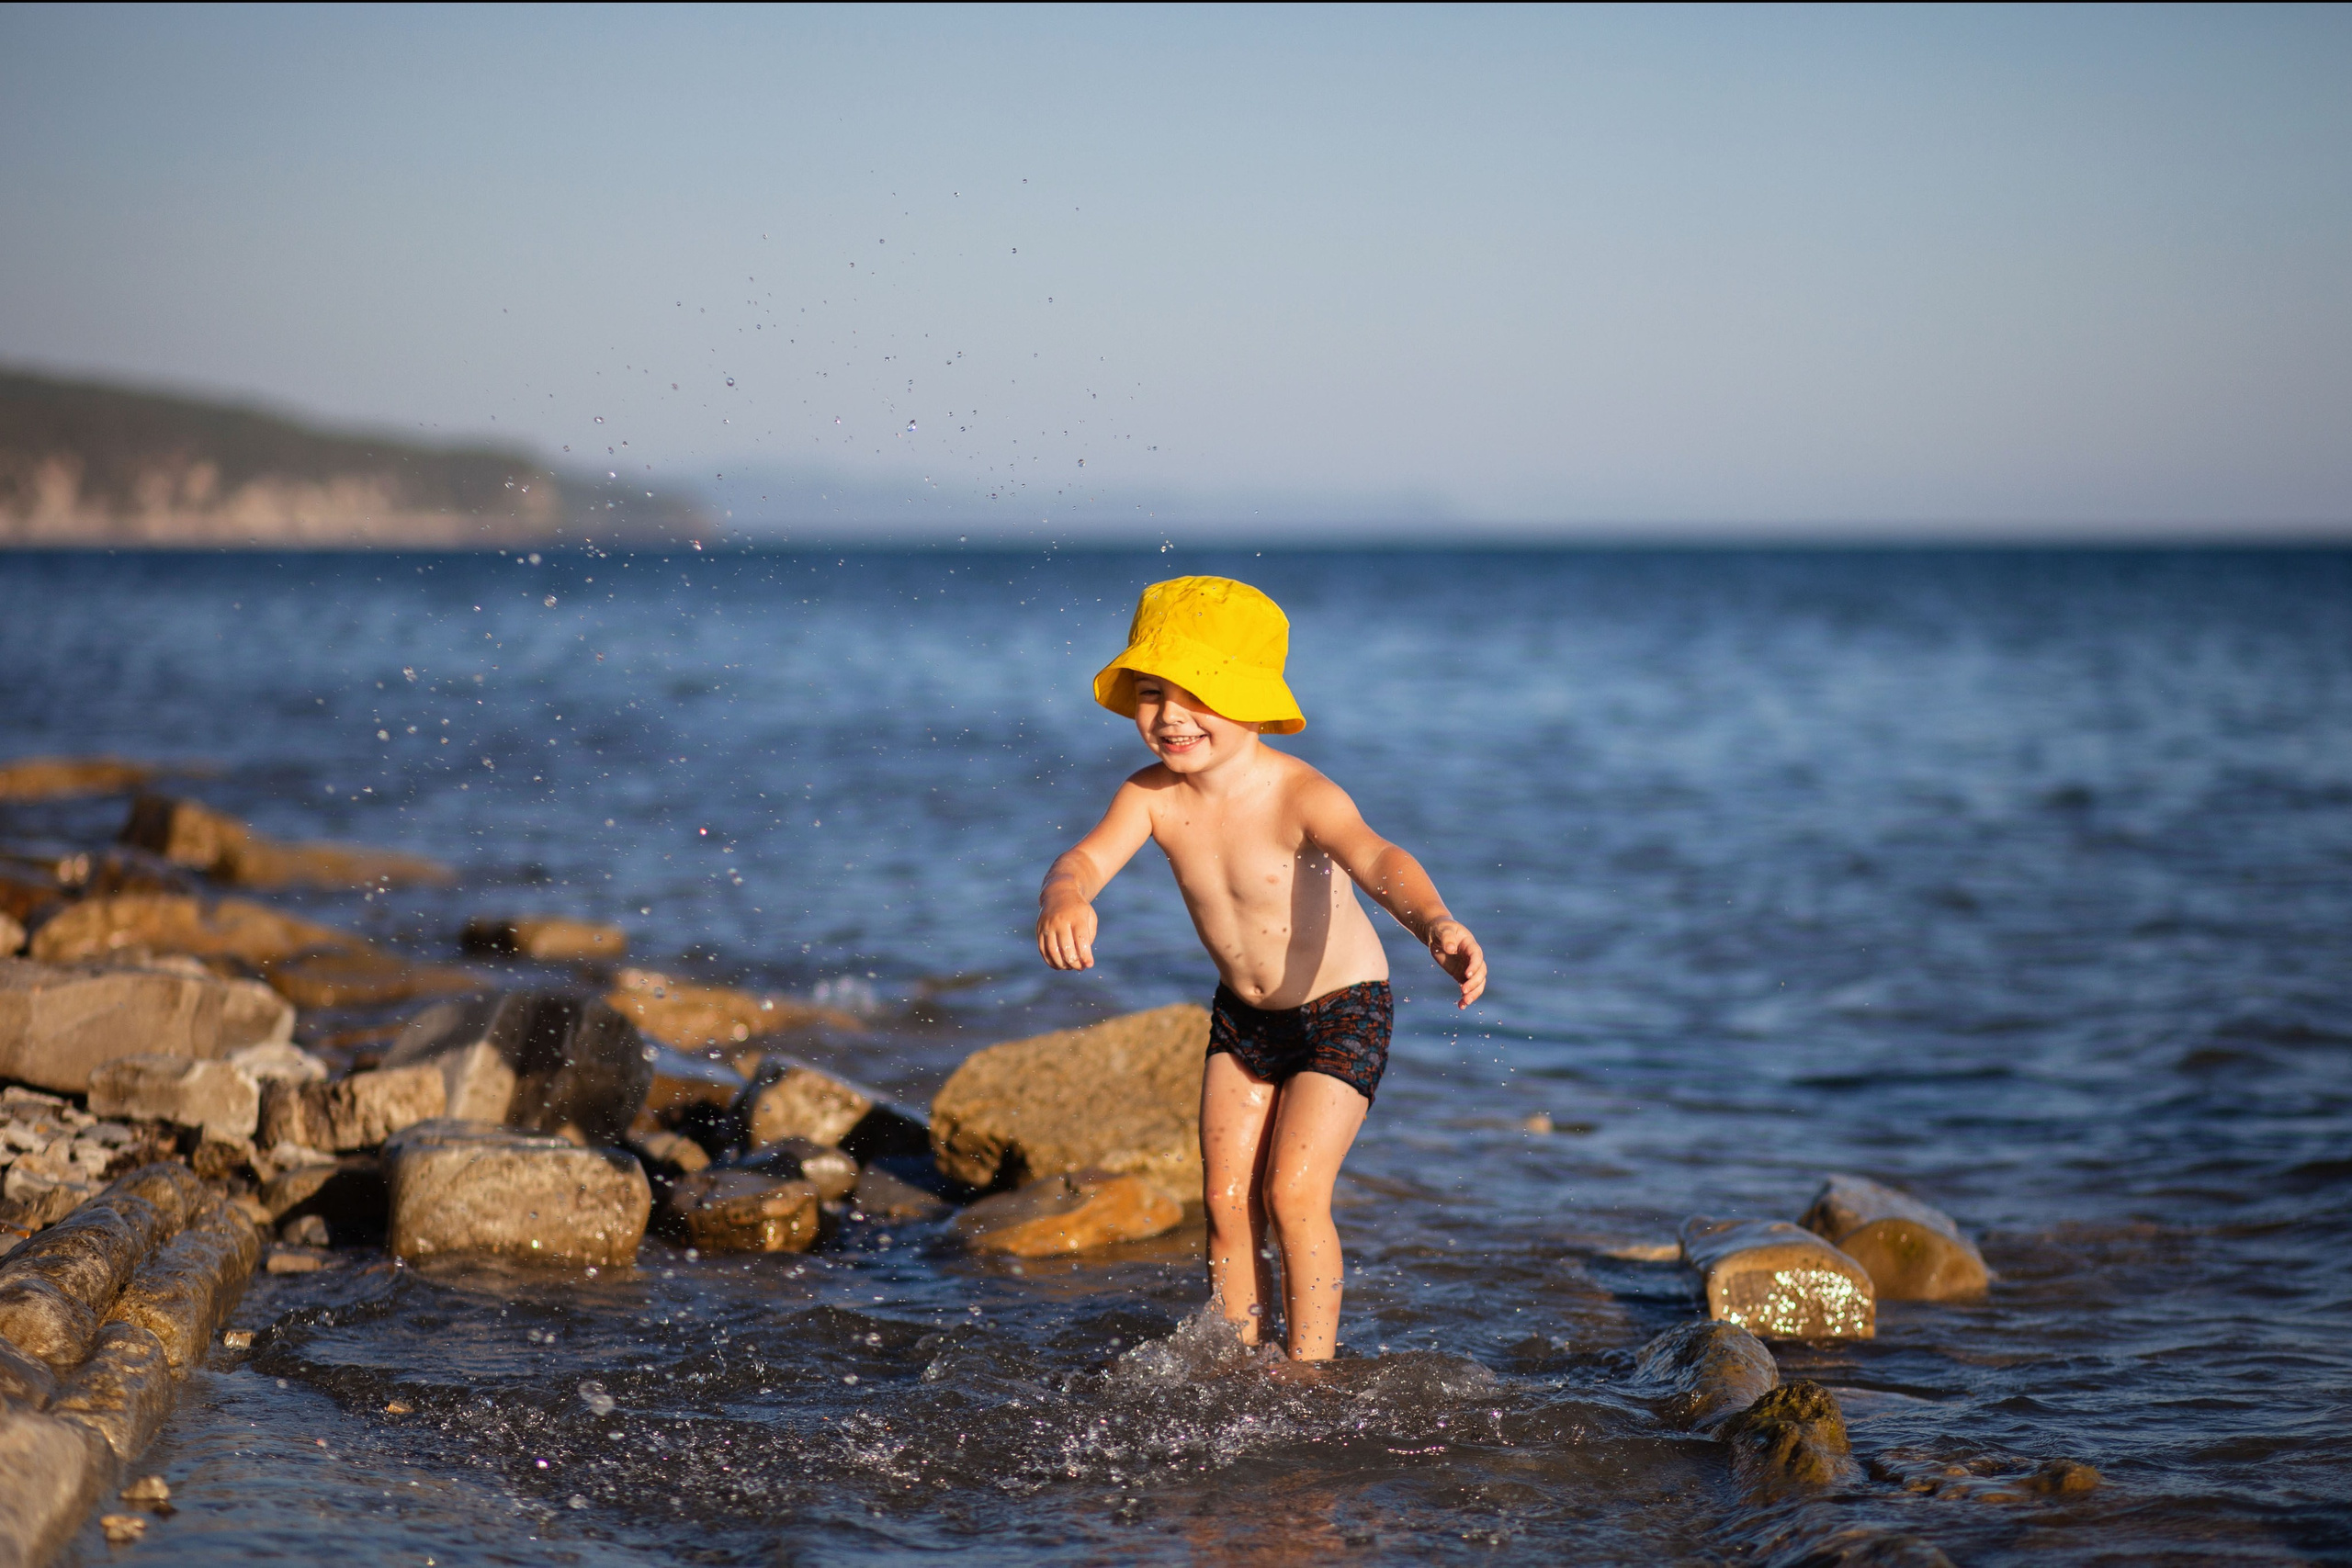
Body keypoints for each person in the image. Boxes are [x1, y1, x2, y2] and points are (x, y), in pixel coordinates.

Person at [1035, 576, 1487, 1367]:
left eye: (1198, 694)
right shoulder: (1148, 798)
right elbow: (1082, 859)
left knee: (1293, 1192)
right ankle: (1239, 1357)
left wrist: (1435, 922)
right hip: (1244, 1020)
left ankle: (1310, 1373)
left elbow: (1380, 858)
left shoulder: (1299, 793)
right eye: (1151, 693)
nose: (1171, 716)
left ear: (1252, 698)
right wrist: (1066, 897)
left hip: (1343, 1010)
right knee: (1223, 1198)